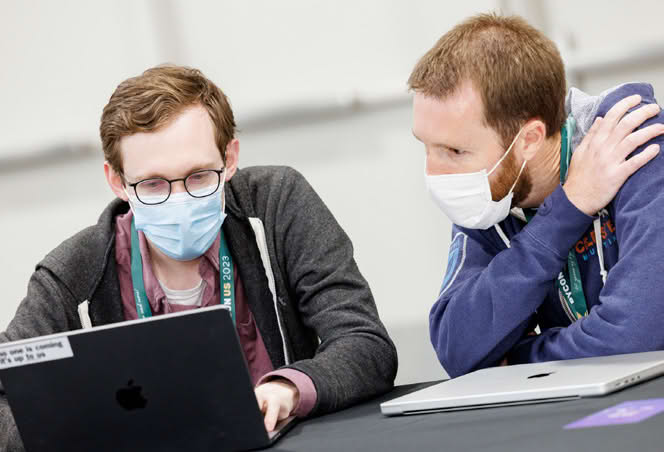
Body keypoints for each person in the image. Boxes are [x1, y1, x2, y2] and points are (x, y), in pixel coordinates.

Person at [0, 65, 397, 450]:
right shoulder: (73, 274)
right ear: (117, 181)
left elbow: (365, 343)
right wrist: (85, 428)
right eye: (153, 184)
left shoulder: (278, 203)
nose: (180, 199)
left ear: (230, 158)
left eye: (199, 176)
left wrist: (288, 388)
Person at [409, 13, 664, 378]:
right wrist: (568, 210)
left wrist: (518, 360)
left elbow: (637, 336)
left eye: (454, 151)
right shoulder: (490, 195)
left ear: (528, 138)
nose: (435, 173)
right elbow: (458, 348)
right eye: (426, 147)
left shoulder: (634, 144)